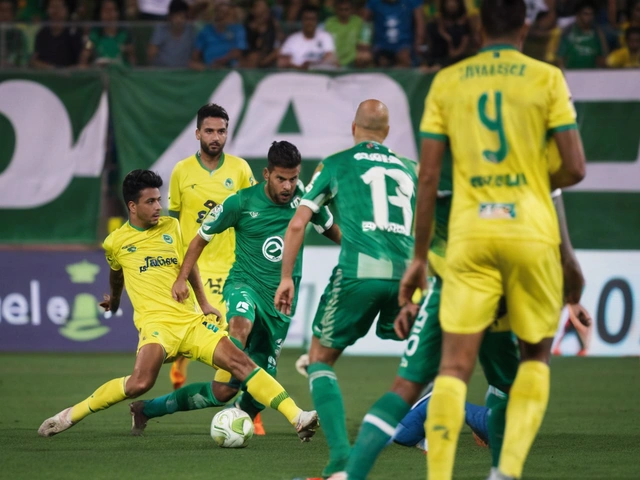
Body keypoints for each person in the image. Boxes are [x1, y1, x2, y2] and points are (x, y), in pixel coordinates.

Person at [399, 0, 587, 477]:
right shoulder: (547, 78)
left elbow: (428, 179)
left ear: (480, 26)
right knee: (534, 360)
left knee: (455, 367)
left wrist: (419, 257)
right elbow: (575, 168)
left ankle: (439, 474)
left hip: (470, 234)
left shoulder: (448, 81)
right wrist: (532, 187)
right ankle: (505, 472)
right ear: (525, 27)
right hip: (530, 232)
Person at [37, 170, 319, 442]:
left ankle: (298, 417)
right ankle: (68, 416)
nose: (158, 206)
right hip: (157, 327)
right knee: (139, 383)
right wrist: (115, 299)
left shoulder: (171, 226)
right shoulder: (116, 242)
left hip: (192, 322)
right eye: (151, 201)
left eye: (159, 199)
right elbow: (116, 272)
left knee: (240, 363)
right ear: (132, 206)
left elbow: (189, 263)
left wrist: (204, 301)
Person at [129, 141, 340, 436]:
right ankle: (229, 359)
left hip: (278, 304)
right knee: (240, 322)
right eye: (281, 178)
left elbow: (331, 229)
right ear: (266, 174)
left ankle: (149, 409)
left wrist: (359, 253)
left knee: (227, 391)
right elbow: (199, 239)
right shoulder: (240, 202)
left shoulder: (305, 200)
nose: (288, 186)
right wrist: (181, 278)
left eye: (293, 178)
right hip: (244, 285)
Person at [275, 99, 418, 478]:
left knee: (320, 360)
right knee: (425, 359)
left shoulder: (337, 164)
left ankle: (340, 462)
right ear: (387, 133)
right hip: (407, 276)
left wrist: (286, 277)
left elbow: (297, 224)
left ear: (354, 128)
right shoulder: (412, 169)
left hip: (359, 271)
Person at [166, 103, 254, 393]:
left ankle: (247, 410)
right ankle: (180, 363)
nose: (215, 137)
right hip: (194, 270)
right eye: (209, 131)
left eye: (221, 131)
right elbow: (177, 220)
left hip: (230, 267)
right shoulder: (182, 171)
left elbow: (252, 214)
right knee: (187, 336)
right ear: (197, 133)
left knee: (234, 343)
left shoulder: (240, 169)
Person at [79, 0, 135, 67]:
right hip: (100, 72)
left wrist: (128, 50)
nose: (109, 15)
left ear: (117, 13)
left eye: (112, 10)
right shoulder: (95, 35)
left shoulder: (124, 34)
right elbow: (87, 50)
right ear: (100, 14)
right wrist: (86, 52)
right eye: (105, 11)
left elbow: (132, 58)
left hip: (120, 73)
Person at [30, 0, 83, 68]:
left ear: (66, 10)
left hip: (68, 76)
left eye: (58, 7)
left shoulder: (74, 34)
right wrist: (51, 68)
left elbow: (81, 65)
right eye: (52, 7)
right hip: (46, 76)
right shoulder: (42, 33)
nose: (55, 11)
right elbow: (33, 61)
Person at [147, 0, 196, 68]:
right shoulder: (161, 29)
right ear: (170, 17)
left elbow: (195, 54)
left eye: (182, 17)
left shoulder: (190, 30)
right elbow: (151, 54)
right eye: (176, 16)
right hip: (162, 72)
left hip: (183, 72)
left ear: (186, 17)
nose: (179, 20)